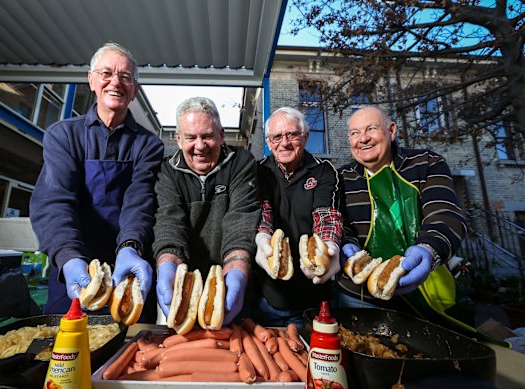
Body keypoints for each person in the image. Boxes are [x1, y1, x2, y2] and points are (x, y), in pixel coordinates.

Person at [30, 42, 164, 316]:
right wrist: (68, 257)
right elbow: (55, 201)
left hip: (130, 269)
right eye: (106, 73)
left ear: (135, 89)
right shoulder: (63, 136)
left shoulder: (149, 145)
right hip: (73, 267)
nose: (116, 82)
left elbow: (140, 201)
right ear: (91, 80)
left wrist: (129, 247)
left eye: (126, 77)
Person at [338, 106, 472, 331]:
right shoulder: (341, 178)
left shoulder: (426, 163)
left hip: (424, 294)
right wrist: (345, 245)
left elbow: (446, 214)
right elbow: (340, 225)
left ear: (391, 130)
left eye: (371, 129)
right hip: (359, 296)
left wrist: (429, 249)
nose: (363, 139)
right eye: (355, 133)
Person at [153, 97, 261, 325]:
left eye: (208, 136)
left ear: (221, 135)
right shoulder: (167, 172)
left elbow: (241, 219)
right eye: (191, 137)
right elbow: (169, 221)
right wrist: (168, 265)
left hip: (229, 281)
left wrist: (238, 269)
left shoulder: (241, 162)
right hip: (184, 287)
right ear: (178, 139)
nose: (200, 146)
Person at [252, 107, 343, 327]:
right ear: (268, 141)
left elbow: (326, 214)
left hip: (313, 297)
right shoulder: (257, 171)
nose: (284, 143)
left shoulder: (323, 171)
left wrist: (330, 245)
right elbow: (263, 212)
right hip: (266, 295)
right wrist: (262, 239)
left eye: (292, 134)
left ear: (305, 137)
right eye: (277, 136)